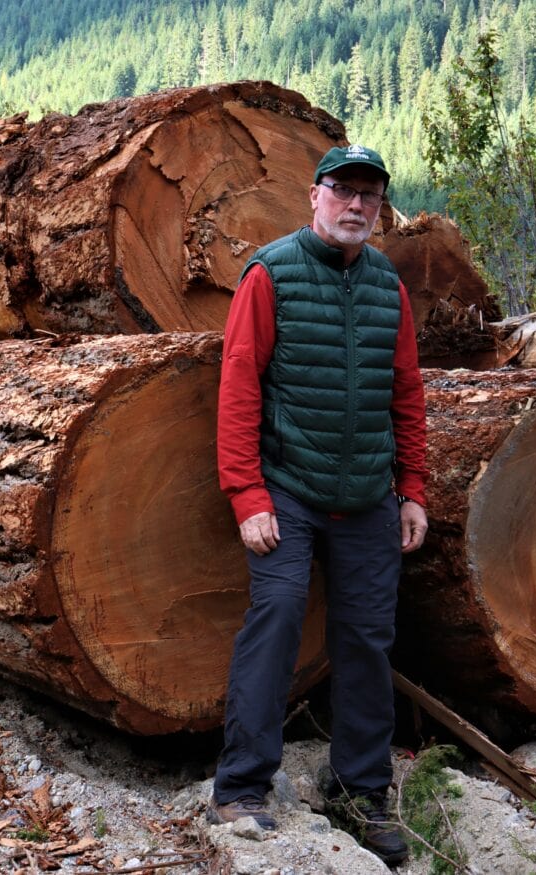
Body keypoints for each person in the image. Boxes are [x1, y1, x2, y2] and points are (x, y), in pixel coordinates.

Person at [207, 144, 430, 866]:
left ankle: (361, 794)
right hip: (289, 491)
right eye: (344, 190)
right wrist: (247, 493)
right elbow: (239, 387)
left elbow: (406, 395)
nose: (356, 205)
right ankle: (241, 788)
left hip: (367, 497)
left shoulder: (387, 285)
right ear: (315, 196)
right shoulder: (271, 274)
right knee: (275, 620)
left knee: (367, 638)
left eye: (370, 194)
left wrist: (412, 490)